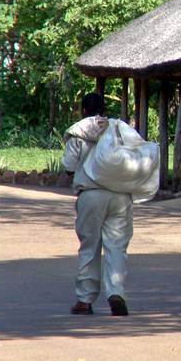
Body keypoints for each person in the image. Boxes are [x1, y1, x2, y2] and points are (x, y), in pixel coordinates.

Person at [62, 93, 132, 316]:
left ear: (84, 110)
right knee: (117, 246)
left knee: (89, 246)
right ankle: (116, 292)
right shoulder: (119, 129)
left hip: (91, 194)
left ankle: (84, 300)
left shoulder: (77, 132)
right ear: (104, 110)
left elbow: (69, 166)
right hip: (120, 194)